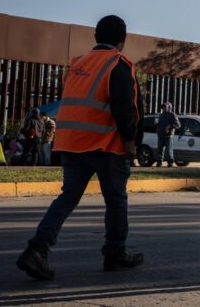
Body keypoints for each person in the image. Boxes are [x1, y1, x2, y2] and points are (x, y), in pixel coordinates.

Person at [15, 15, 144, 281]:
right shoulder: (118, 64)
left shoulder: (78, 64)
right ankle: (115, 253)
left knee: (67, 198)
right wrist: (131, 141)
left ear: (96, 37)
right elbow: (125, 108)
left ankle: (37, 249)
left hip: (71, 143)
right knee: (116, 200)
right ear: (123, 39)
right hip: (104, 145)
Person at [155, 102, 181, 167]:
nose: (163, 109)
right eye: (162, 107)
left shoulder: (172, 115)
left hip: (168, 136)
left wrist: (170, 126)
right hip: (160, 135)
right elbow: (159, 124)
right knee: (160, 150)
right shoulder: (161, 115)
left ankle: (170, 163)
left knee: (169, 151)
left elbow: (178, 125)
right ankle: (159, 163)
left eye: (164, 107)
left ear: (168, 107)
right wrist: (156, 124)